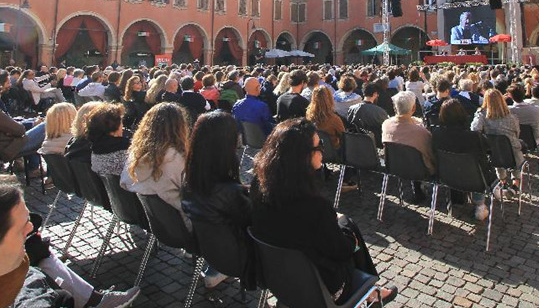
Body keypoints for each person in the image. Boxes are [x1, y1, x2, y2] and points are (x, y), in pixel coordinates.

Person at [250, 118, 398, 305]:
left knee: (345, 225)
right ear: (301, 156)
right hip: (323, 287)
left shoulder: (259, 185)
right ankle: (371, 291)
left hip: (278, 277)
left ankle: (372, 292)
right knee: (349, 228)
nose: (322, 150)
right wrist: (349, 235)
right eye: (319, 145)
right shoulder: (314, 207)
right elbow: (341, 251)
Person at [0, 181, 140, 308]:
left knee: (61, 293)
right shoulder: (29, 292)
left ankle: (95, 299)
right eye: (22, 226)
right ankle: (96, 300)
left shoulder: (24, 271)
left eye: (28, 220)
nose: (31, 227)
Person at [182, 111, 252, 290]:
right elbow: (255, 225)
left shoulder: (189, 181)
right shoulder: (229, 192)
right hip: (240, 257)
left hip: (210, 250)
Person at [121, 102, 189, 226]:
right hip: (180, 223)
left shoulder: (135, 154)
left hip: (151, 220)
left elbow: (124, 183)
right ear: (180, 127)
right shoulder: (175, 158)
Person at [431, 99, 496, 221]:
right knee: (479, 166)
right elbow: (488, 150)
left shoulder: (436, 133)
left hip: (446, 175)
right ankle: (480, 204)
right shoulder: (473, 137)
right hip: (474, 178)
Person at [471, 89, 523, 196]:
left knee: (497, 151)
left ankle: (503, 182)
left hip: (494, 152)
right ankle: (515, 184)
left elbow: (474, 129)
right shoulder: (511, 116)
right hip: (512, 151)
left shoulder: (482, 115)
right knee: (514, 149)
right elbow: (517, 133)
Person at [382, 91, 435, 175]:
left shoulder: (386, 124)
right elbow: (431, 156)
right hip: (419, 171)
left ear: (395, 107)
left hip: (394, 166)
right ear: (413, 108)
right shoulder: (422, 132)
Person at [86, 103, 130, 177]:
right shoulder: (127, 151)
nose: (122, 126)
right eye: (121, 122)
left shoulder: (94, 150)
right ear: (115, 126)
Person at [347, 82, 388, 147]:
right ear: (375, 94)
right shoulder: (380, 112)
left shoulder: (351, 109)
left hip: (356, 144)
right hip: (374, 145)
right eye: (377, 94)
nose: (378, 96)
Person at [305, 85, 345, 151]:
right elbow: (344, 137)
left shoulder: (309, 115)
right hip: (332, 152)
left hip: (315, 150)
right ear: (329, 98)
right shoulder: (335, 119)